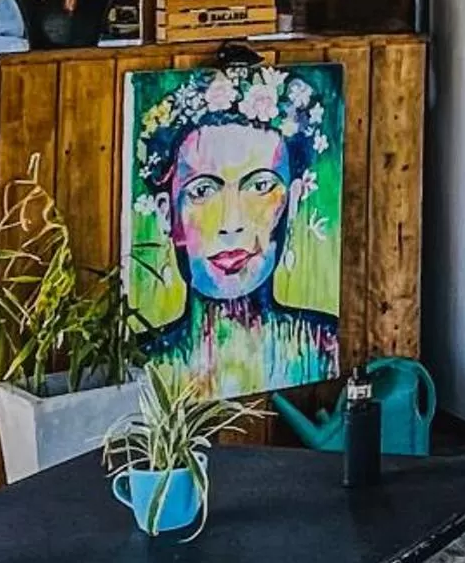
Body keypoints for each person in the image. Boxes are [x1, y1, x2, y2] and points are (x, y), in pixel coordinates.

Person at [132, 64, 339, 399]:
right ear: (167, 213)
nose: (231, 222)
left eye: (260, 186)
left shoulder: (324, 345)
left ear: (294, 201)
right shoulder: (140, 363)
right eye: (202, 191)